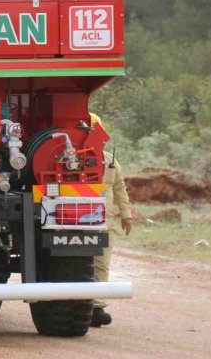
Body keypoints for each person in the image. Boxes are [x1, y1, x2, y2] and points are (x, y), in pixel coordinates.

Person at [89, 113, 133, 327]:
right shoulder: (70, 159)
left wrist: (127, 216)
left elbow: (120, 188)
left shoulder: (110, 161)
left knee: (101, 264)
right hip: (75, 220)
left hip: (105, 222)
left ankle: (97, 308)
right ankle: (79, 305)